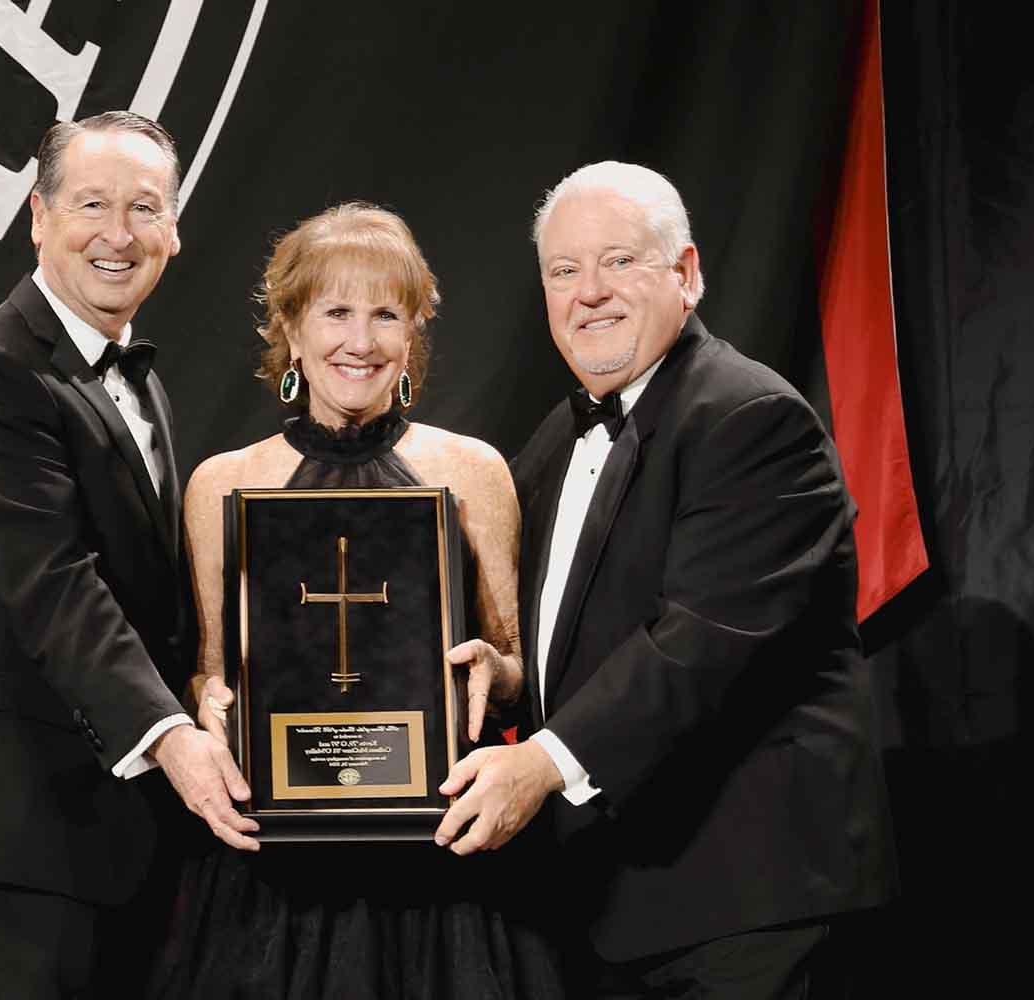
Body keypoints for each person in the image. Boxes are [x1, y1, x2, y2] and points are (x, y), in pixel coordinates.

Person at [432, 162, 895, 997]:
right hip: (618, 903)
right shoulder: (554, 441)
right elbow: (585, 639)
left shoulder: (751, 418)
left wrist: (540, 763)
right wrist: (506, 680)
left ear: (685, 274)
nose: (589, 292)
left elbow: (705, 642)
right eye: (563, 271)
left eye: (618, 262)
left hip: (746, 901)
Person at [149, 203, 562, 999]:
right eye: (336, 312)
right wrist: (214, 699)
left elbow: (516, 666)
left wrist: (493, 670)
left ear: (412, 336)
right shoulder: (222, 484)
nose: (361, 342)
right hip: (275, 872)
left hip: (435, 864)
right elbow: (205, 671)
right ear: (293, 330)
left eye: (386, 315)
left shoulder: (471, 471)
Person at [0, 111, 257, 999]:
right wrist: (173, 735)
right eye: (92, 204)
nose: (118, 234)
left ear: (174, 230)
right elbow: (52, 586)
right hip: (10, 836)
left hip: (109, 841)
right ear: (38, 217)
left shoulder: (139, 381)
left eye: (145, 208)